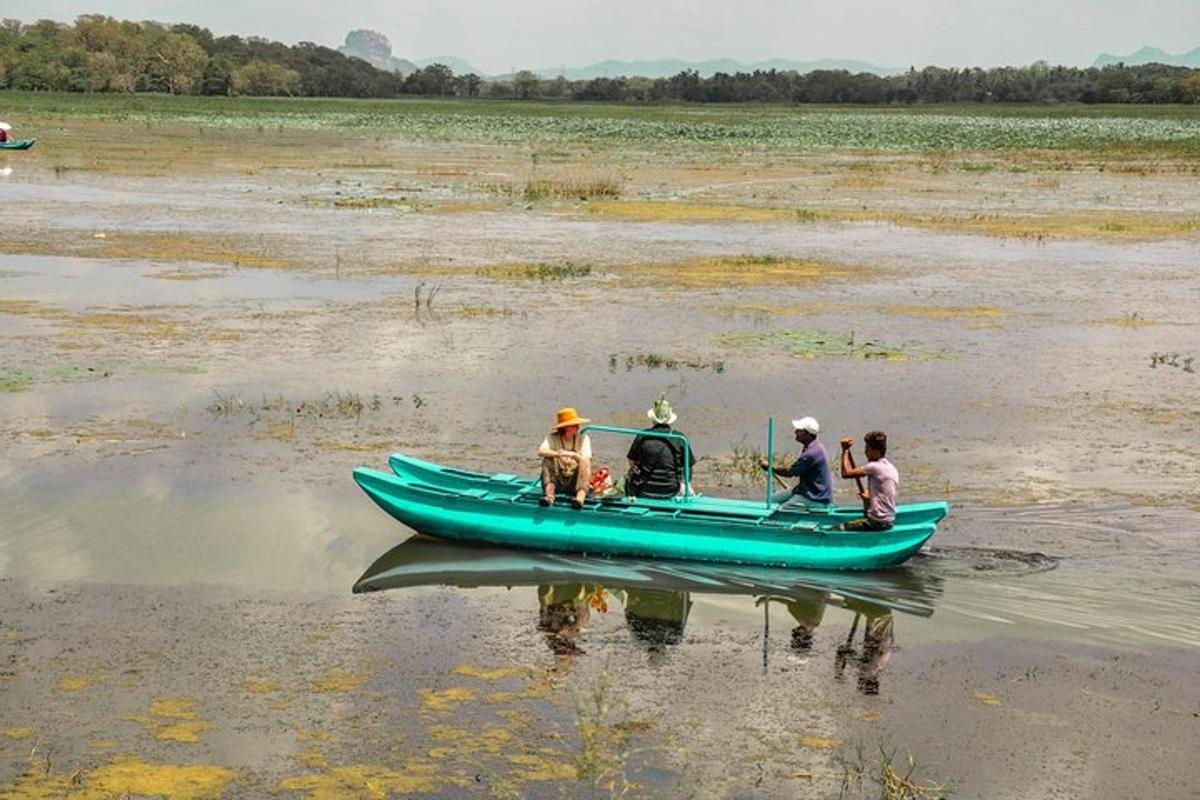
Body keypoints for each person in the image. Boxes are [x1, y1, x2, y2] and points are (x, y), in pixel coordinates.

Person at [625, 394, 697, 499]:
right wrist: (686, 483)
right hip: (672, 489)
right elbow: (689, 465)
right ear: (670, 419)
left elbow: (631, 462)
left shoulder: (643, 436)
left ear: (653, 418)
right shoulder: (680, 438)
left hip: (645, 489)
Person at [758, 416, 833, 510]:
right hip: (805, 490)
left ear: (808, 434)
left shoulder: (811, 453)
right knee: (771, 500)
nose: (795, 432)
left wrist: (770, 467)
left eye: (799, 430)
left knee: (779, 511)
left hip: (814, 497)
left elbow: (790, 472)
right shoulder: (813, 447)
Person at [838, 431, 899, 531]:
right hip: (889, 519)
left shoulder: (874, 467)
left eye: (867, 450)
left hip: (878, 522)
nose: (865, 452)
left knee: (838, 528)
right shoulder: (890, 467)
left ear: (876, 452)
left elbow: (846, 473)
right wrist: (869, 498)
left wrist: (845, 450)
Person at [537, 407, 592, 509]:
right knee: (547, 460)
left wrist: (573, 455)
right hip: (558, 480)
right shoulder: (552, 438)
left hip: (574, 482)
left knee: (585, 462)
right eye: (574, 425)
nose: (578, 427)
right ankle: (549, 497)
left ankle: (580, 499)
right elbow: (541, 451)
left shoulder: (584, 439)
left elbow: (586, 458)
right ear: (566, 427)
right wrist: (559, 454)